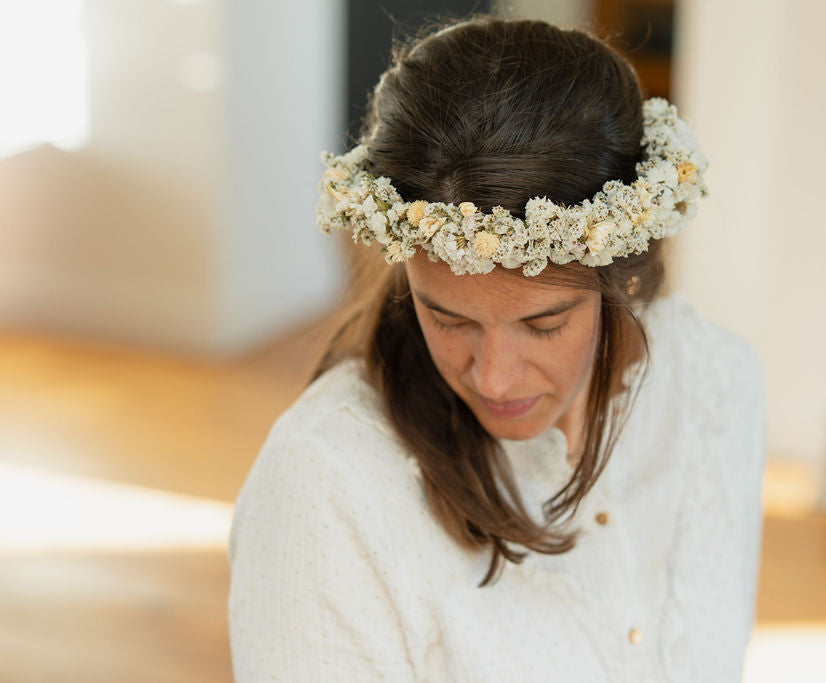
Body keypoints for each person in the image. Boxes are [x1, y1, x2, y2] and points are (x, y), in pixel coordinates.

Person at [228, 16, 766, 683]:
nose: (495, 378)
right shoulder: (325, 485)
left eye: (543, 324)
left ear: (622, 271)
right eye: (446, 316)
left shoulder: (717, 385)